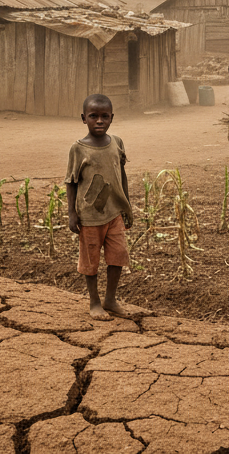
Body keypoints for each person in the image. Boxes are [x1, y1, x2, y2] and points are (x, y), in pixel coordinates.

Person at [66, 93, 134, 321]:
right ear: (83, 118)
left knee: (118, 257)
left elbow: (121, 174)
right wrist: (72, 214)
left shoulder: (117, 143)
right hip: (90, 216)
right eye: (93, 116)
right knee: (90, 260)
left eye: (105, 116)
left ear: (112, 118)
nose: (99, 121)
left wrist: (127, 206)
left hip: (114, 212)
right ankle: (94, 302)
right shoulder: (78, 149)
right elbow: (71, 182)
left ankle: (110, 299)